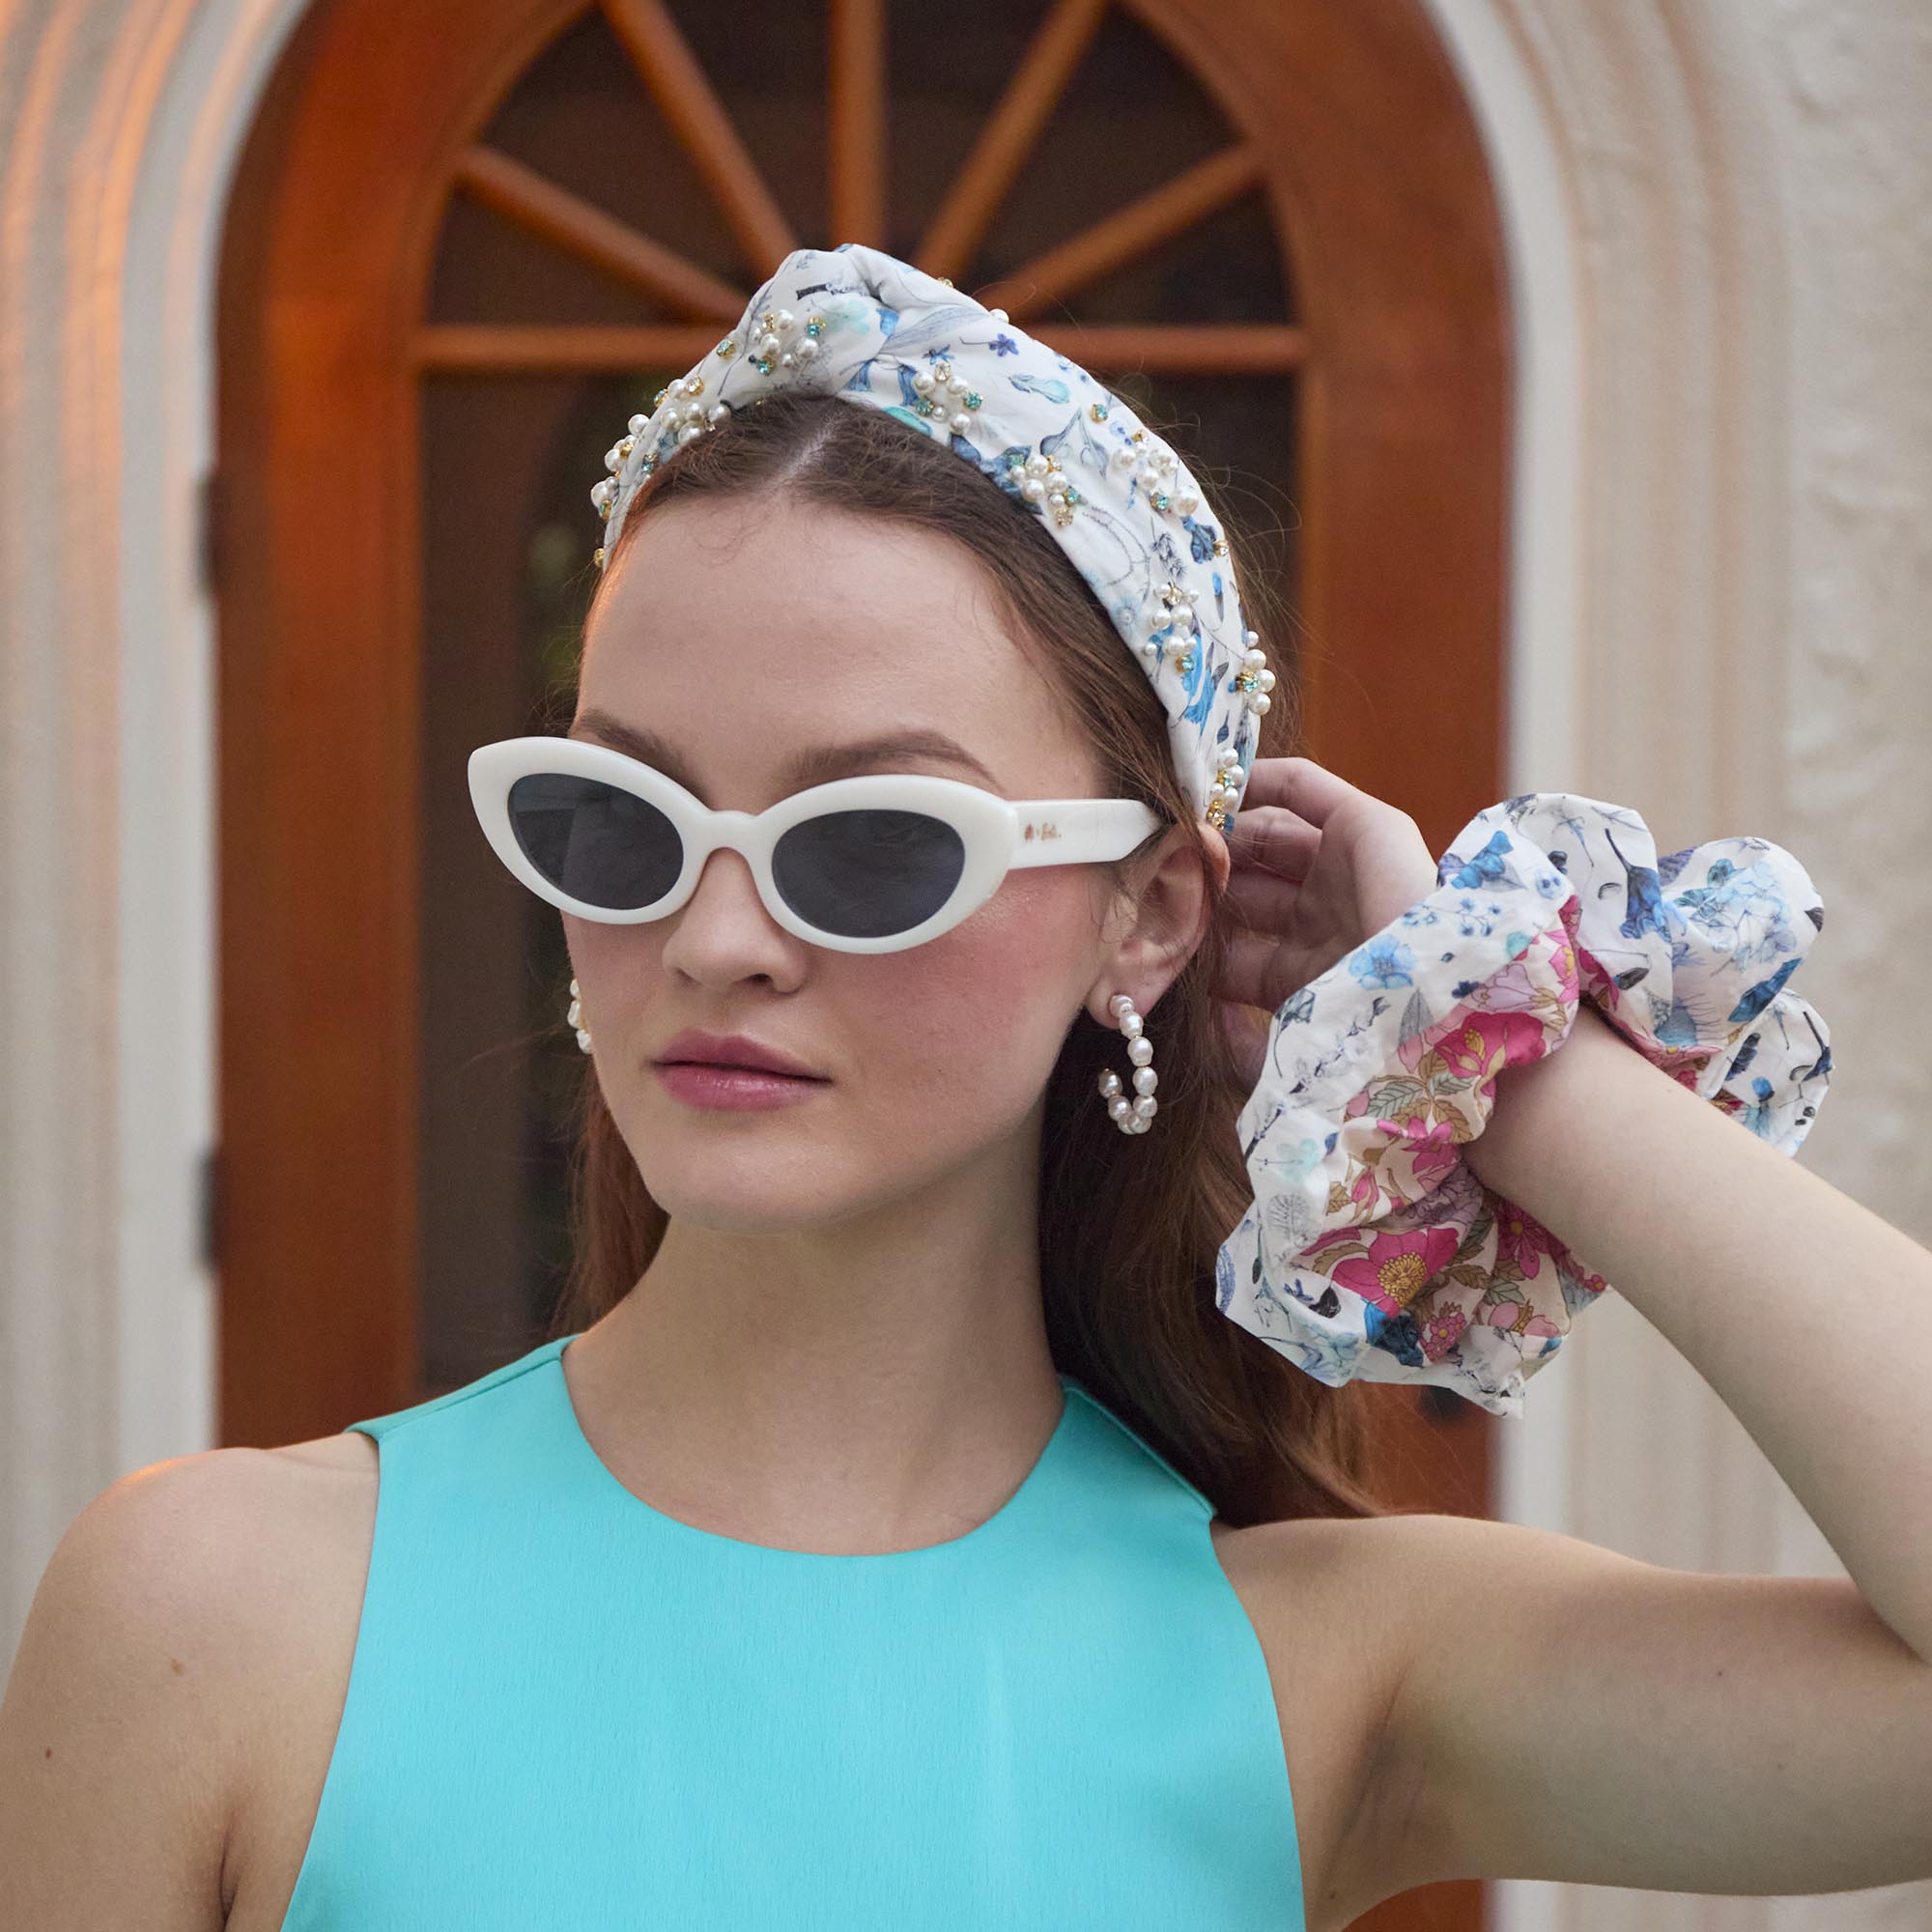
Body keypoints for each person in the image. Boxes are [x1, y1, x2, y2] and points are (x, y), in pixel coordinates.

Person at [3, 246, 1928, 1930]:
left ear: (1145, 916)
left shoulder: (1325, 1670)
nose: (718, 936)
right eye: (623, 821)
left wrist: (1477, 1044)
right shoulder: (212, 1617)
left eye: (871, 842)